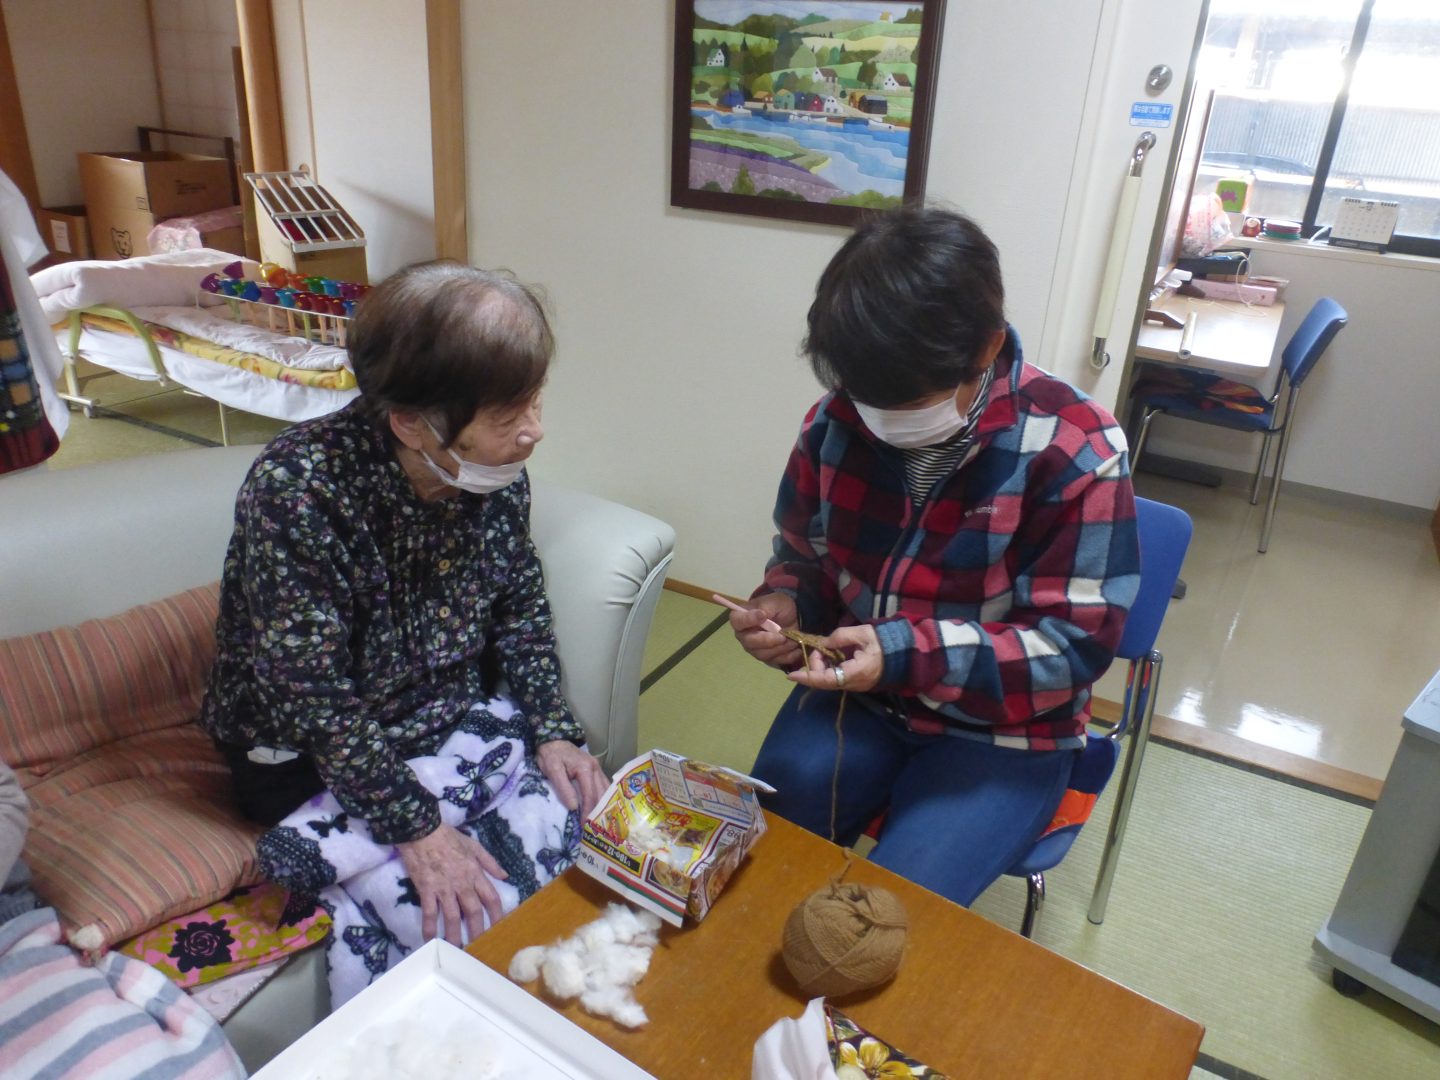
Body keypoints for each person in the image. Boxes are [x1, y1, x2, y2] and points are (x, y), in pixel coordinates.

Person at [728, 207, 1140, 906]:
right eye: (865, 398)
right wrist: (788, 604)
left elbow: (1071, 649)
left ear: (987, 348)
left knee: (889, 916)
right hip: (863, 702)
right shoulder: (834, 423)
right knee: (754, 866)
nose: (881, 421)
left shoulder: (1076, 447)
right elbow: (805, 553)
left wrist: (904, 653)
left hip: (1005, 732)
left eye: (908, 401)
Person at [200, 261, 607, 952]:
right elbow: (310, 693)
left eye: (535, 403)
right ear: (411, 423)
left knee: (590, 842)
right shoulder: (299, 488)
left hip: (442, 719)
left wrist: (553, 726)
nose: (534, 432)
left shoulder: (495, 475)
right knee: (469, 924)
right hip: (311, 755)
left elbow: (519, 605)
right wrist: (416, 827)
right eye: (509, 417)